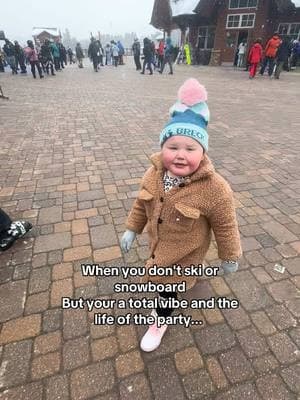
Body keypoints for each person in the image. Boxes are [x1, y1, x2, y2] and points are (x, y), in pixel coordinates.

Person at [121, 78, 242, 352]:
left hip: (186, 253)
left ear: (203, 152)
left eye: (190, 149)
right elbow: (141, 204)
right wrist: (132, 229)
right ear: (163, 148)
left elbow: (225, 225)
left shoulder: (215, 188)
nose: (180, 155)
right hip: (158, 244)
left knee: (166, 288)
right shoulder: (153, 173)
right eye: (172, 147)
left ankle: (159, 320)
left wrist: (230, 256)